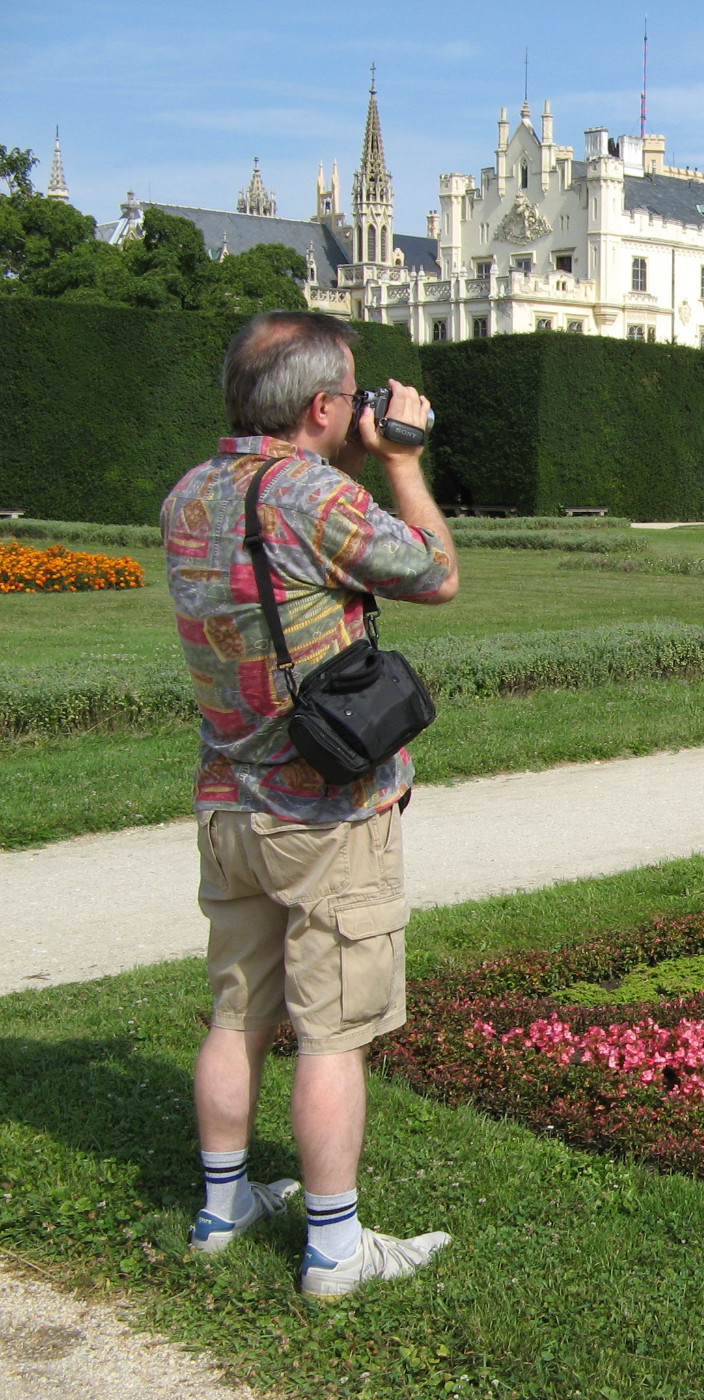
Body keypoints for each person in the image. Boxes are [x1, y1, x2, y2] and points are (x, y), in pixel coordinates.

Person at [163, 310, 460, 1298]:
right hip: (323, 813)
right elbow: (435, 573)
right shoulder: (312, 494)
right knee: (334, 1029)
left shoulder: (187, 496)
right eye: (348, 396)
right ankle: (334, 1247)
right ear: (324, 404)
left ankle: (222, 1205)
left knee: (236, 1011)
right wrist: (404, 458)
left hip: (226, 800)